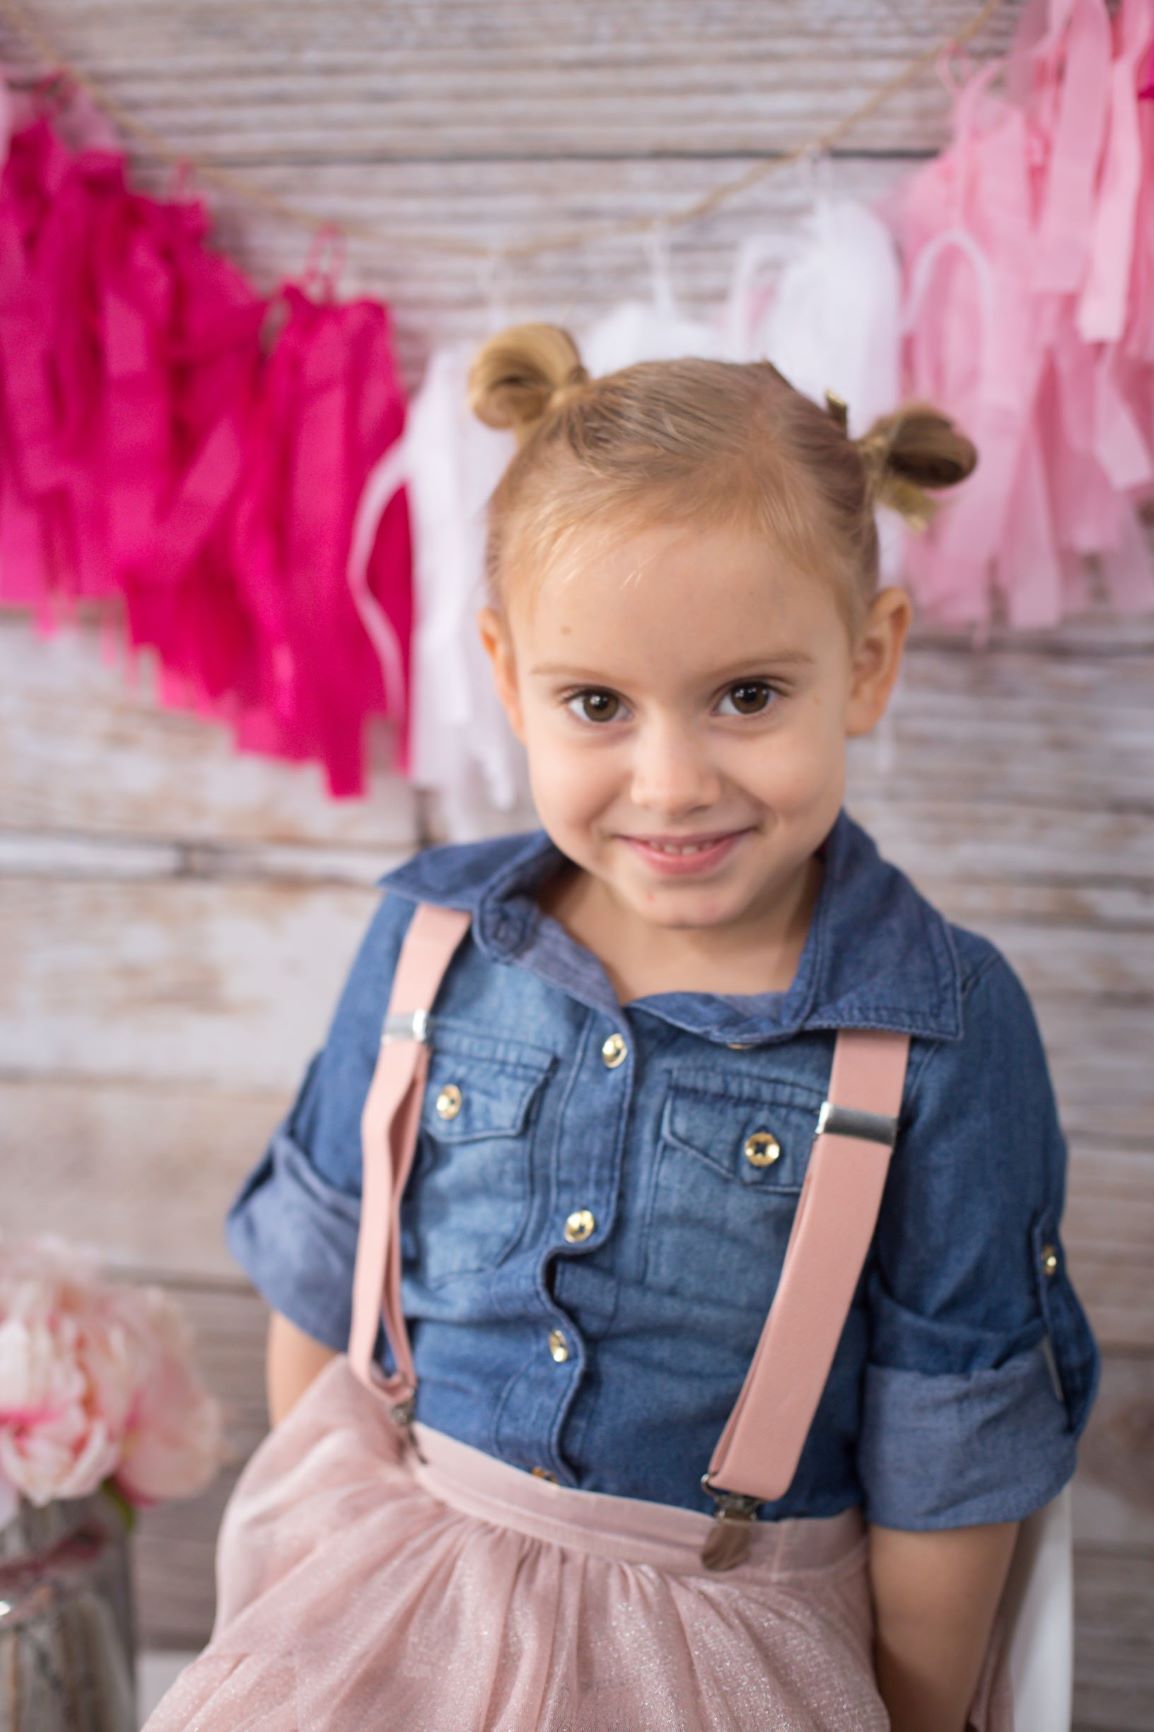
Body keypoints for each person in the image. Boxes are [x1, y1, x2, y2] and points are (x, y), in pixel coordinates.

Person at [143, 326, 1101, 1732]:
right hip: (382, 1601)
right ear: (505, 670)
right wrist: (291, 1586)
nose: (669, 782)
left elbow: (947, 1455)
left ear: (867, 660)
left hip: (718, 1648)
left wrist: (906, 1707)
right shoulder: (426, 945)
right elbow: (326, 1304)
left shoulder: (940, 1030)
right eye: (595, 703)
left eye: (748, 696)